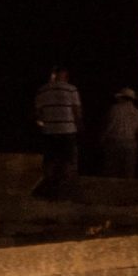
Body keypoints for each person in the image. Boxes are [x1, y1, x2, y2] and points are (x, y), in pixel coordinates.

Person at [33, 66, 83, 194]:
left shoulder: (42, 90)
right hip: (67, 130)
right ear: (65, 76)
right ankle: (66, 187)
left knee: (50, 159)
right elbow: (76, 110)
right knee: (68, 159)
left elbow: (38, 113)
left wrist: (45, 124)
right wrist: (79, 126)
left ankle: (49, 186)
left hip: (49, 131)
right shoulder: (71, 89)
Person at [99, 87, 138, 178]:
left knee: (111, 171)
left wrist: (102, 139)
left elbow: (109, 126)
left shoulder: (115, 109)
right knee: (128, 172)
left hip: (114, 142)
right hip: (130, 144)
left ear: (122, 98)